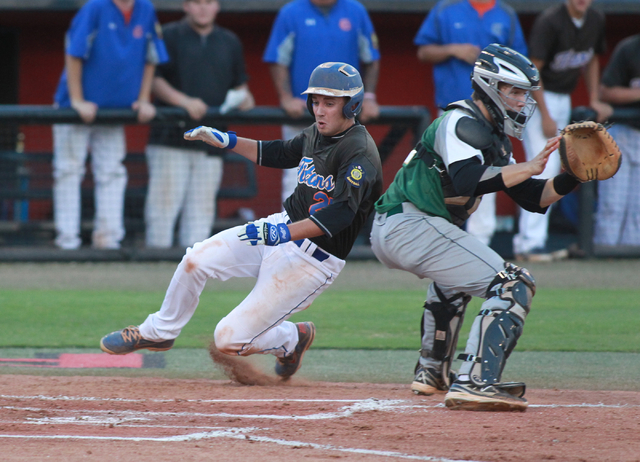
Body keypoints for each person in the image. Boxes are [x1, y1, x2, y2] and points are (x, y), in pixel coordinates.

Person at [100, 62, 383, 381]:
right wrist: (228, 141)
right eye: (315, 101)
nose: (319, 110)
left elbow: (340, 215)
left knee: (228, 339)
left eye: (329, 103)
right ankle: (158, 331)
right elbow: (279, 153)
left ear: (353, 105)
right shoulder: (316, 133)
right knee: (195, 260)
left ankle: (292, 338)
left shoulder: (360, 152)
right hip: (280, 228)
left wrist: (281, 232)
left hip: (312, 261)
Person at [370, 44, 586, 411]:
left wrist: (571, 178)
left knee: (455, 279)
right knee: (514, 283)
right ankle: (476, 381)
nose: (522, 101)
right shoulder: (461, 120)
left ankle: (433, 371)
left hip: (409, 226)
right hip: (408, 222)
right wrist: (530, 166)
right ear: (489, 86)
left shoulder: (494, 138)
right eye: (514, 91)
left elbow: (533, 198)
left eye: (524, 93)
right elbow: (468, 178)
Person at [52, 0, 167, 250]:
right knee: (69, 171)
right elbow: (74, 52)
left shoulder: (145, 9)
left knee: (112, 172)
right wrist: (77, 100)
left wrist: (144, 98)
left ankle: (108, 240)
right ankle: (67, 241)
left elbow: (152, 56)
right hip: (74, 108)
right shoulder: (95, 7)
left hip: (115, 110)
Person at [414, 0, 528, 248]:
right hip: (451, 110)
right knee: (443, 177)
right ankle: (437, 238)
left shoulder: (505, 14)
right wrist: (452, 49)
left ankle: (480, 243)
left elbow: (521, 62)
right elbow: (423, 51)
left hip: (492, 112)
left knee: (487, 172)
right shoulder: (446, 9)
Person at [144, 0, 255, 249]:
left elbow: (240, 86)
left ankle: (194, 269)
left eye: (208, 2)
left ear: (217, 6)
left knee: (201, 213)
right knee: (162, 209)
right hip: (170, 138)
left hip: (212, 141)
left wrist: (245, 98)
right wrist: (183, 102)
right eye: (196, 2)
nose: (202, 8)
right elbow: (152, 79)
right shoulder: (169, 35)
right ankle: (154, 264)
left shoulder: (229, 41)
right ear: (185, 6)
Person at [513, 0, 612, 261]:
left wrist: (593, 97)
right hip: (536, 99)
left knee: (554, 167)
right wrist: (545, 114)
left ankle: (532, 240)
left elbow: (591, 60)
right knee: (541, 165)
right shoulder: (550, 21)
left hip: (563, 97)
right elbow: (533, 72)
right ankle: (528, 243)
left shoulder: (595, 20)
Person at [263, 0, 381, 205]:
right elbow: (278, 58)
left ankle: (336, 235)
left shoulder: (355, 10)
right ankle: (292, 235)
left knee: (346, 179)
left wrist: (369, 96)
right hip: (303, 114)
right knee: (296, 179)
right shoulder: (291, 12)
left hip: (343, 115)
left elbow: (371, 57)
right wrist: (286, 97)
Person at [594, 34, 640, 247]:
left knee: (637, 210)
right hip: (623, 134)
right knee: (613, 204)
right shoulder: (630, 48)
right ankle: (605, 255)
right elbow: (606, 92)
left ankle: (628, 261)